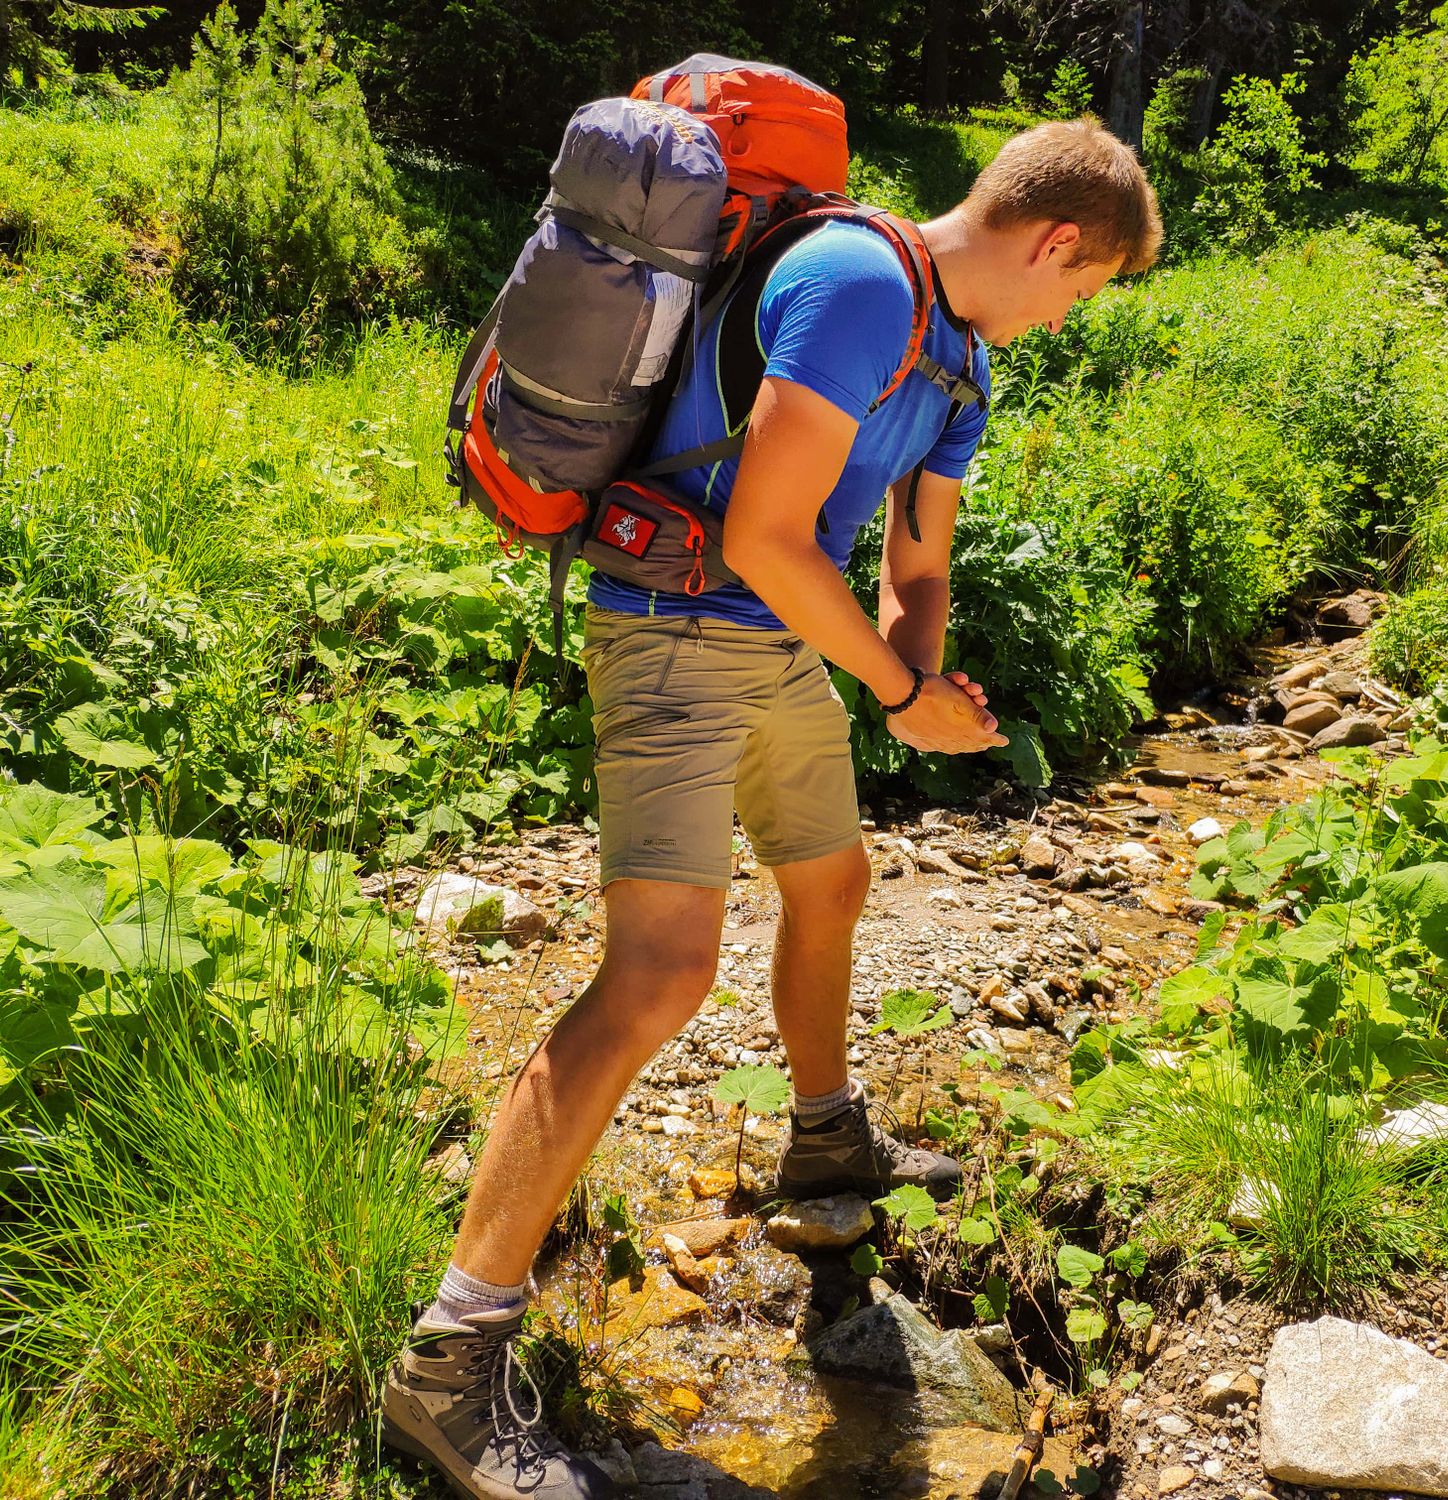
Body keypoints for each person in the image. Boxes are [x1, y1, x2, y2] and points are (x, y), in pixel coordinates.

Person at [381, 117, 1162, 1500]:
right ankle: (447, 1365)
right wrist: (896, 692)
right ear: (1056, 243)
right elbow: (762, 535)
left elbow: (915, 555)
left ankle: (823, 1138)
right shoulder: (857, 286)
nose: (1066, 317)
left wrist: (921, 676)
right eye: (1082, 290)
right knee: (660, 972)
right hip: (676, 626)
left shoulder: (962, 359)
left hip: (780, 644)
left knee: (833, 876)